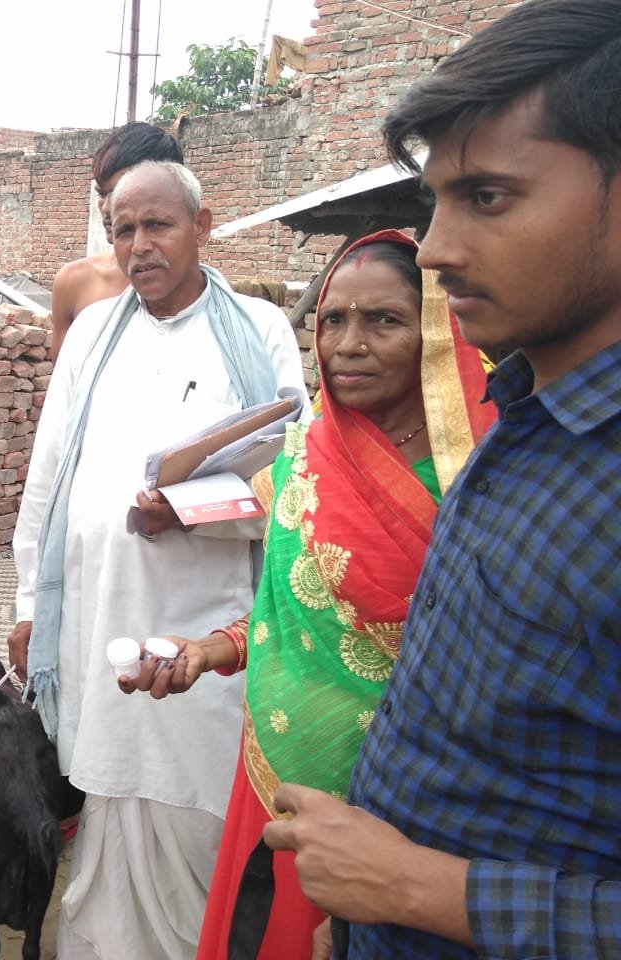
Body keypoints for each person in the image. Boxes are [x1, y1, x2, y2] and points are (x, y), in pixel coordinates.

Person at [259, 2, 621, 957]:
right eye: (437, 205)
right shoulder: (522, 419)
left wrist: (425, 891)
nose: (438, 248)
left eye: (488, 198)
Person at [122, 230, 494, 960]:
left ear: (433, 333)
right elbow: (295, 602)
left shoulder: (482, 479)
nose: (348, 344)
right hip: (270, 764)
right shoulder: (304, 453)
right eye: (332, 320)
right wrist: (210, 650)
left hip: (405, 819)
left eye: (383, 320)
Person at [7, 160, 310, 959]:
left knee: (199, 812)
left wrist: (190, 513)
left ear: (202, 228)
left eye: (158, 226)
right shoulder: (93, 340)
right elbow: (47, 483)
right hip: (98, 613)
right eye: (123, 230)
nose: (139, 246)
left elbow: (299, 487)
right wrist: (26, 606)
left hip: (209, 636)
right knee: (108, 801)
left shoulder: (259, 332)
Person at [48, 122, 184, 359]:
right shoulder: (74, 283)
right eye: (102, 193)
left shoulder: (205, 297)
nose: (106, 206)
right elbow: (65, 387)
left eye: (122, 191)